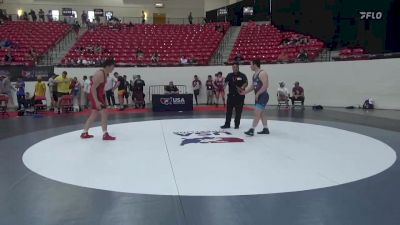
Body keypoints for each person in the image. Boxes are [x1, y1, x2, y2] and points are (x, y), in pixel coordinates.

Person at [81, 59, 116, 140]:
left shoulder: (104, 73)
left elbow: (101, 88)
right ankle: (105, 134)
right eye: (112, 67)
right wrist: (96, 101)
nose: (113, 69)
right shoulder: (100, 74)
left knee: (94, 114)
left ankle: (84, 132)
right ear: (108, 66)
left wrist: (104, 98)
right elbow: (93, 88)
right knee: (104, 113)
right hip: (95, 96)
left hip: (98, 95)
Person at [244, 60, 270, 136]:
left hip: (263, 96)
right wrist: (245, 92)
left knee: (257, 113)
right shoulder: (254, 74)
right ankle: (266, 129)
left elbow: (265, 85)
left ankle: (252, 129)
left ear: (255, 65)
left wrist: (258, 94)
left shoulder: (262, 73)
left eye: (251, 64)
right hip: (259, 96)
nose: (250, 66)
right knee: (261, 113)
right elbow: (253, 86)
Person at [221, 62, 248, 129]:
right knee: (228, 111)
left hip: (239, 97)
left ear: (238, 67)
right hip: (230, 96)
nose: (235, 68)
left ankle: (236, 125)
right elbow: (225, 83)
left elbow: (246, 83)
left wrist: (242, 88)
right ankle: (227, 124)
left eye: (236, 67)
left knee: (238, 112)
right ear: (232, 68)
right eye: (233, 67)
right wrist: (223, 86)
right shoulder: (229, 75)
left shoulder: (242, 75)